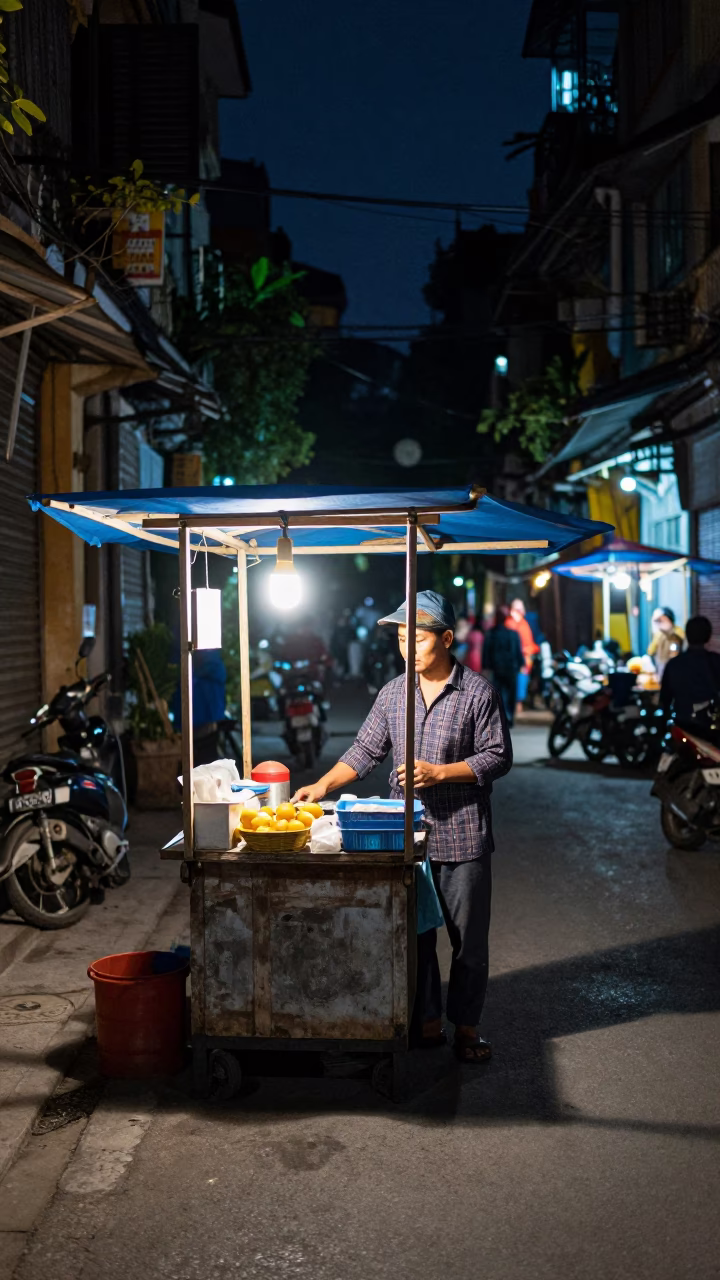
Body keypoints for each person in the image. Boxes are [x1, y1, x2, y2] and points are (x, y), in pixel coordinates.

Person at [293, 590, 512, 1063]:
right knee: (416, 935)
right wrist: (322, 785)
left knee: (468, 942)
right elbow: (365, 751)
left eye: (417, 638)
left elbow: (498, 756)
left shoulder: (479, 692)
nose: (407, 647)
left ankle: (467, 1028)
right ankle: (428, 1021)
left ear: (447, 638)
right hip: (406, 834)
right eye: (399, 638)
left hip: (463, 835)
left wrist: (440, 772)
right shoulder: (394, 693)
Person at [659, 615, 720, 730]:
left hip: (683, 725)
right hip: (711, 727)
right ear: (708, 636)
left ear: (687, 635)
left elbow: (664, 700)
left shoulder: (674, 664)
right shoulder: (716, 661)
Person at [481, 605, 524, 726]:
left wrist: (485, 667)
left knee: (498, 694)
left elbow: (486, 652)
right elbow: (518, 652)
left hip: (497, 669)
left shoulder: (491, 634)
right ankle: (508, 718)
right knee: (510, 694)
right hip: (511, 669)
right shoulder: (512, 634)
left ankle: (502, 718)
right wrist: (520, 664)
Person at [506, 597, 539, 715]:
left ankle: (518, 707)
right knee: (517, 684)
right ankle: (515, 709)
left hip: (525, 660)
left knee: (522, 683)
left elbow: (528, 642)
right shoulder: (510, 624)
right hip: (516, 661)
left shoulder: (523, 624)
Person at [647, 606, 685, 679]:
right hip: (661, 669)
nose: (658, 623)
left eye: (661, 620)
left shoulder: (678, 633)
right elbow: (651, 651)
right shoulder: (658, 634)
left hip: (675, 671)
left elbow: (676, 653)